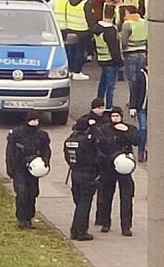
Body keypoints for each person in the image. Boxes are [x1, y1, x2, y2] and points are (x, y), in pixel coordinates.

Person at [95, 107, 138, 236]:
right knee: (106, 196)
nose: (115, 118)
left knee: (126, 197)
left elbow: (136, 141)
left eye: (117, 116)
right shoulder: (105, 129)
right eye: (113, 116)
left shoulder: (129, 128)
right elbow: (100, 145)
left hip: (124, 167)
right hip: (108, 167)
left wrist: (125, 132)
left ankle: (126, 226)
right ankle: (105, 222)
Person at [6, 110, 51, 229]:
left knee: (32, 193)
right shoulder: (17, 133)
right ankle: (21, 218)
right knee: (21, 192)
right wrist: (10, 168)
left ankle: (29, 217)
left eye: (36, 120)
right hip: (19, 167)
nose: (35, 122)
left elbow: (46, 149)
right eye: (32, 120)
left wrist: (45, 161)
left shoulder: (42, 135)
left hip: (34, 167)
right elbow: (10, 152)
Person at [67, 101, 104, 241]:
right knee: (84, 203)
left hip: (74, 172)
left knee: (79, 203)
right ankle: (81, 231)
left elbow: (67, 156)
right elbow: (97, 154)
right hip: (88, 173)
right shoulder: (88, 141)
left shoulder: (70, 140)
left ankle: (74, 230)